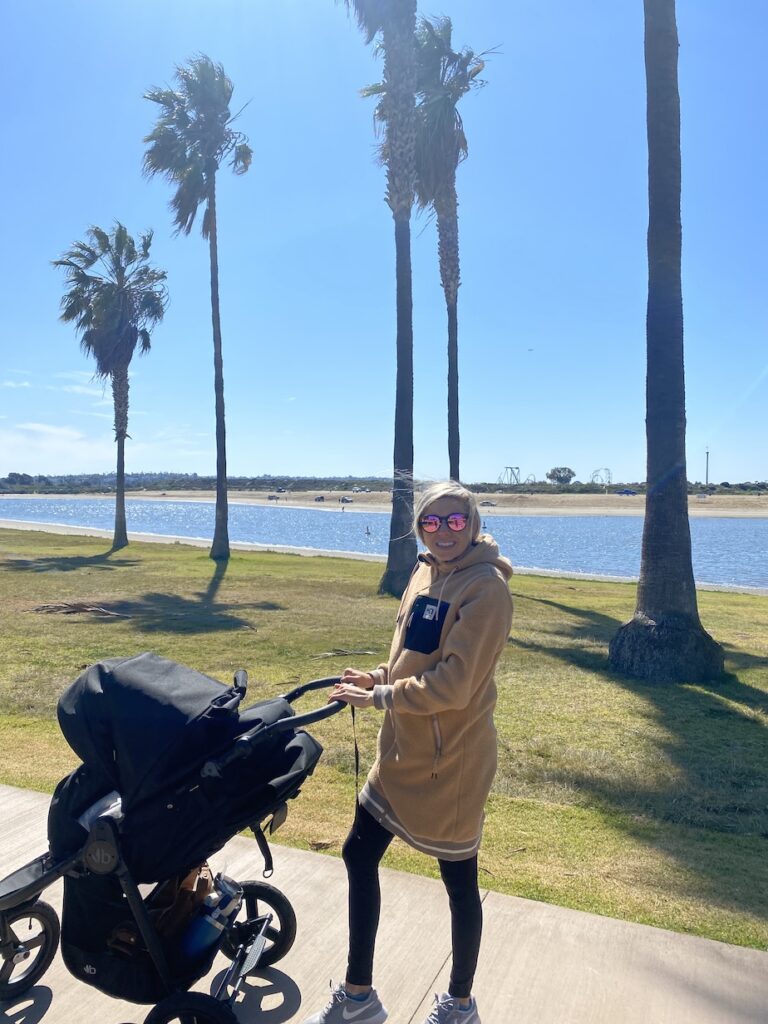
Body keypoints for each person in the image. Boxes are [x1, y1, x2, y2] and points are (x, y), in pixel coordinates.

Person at [302, 481, 513, 1024]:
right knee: (358, 853)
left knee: (459, 884)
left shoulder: (486, 590)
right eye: (432, 522)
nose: (444, 532)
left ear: (473, 522)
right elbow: (414, 655)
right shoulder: (423, 572)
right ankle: (358, 998)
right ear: (420, 527)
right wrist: (375, 675)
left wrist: (378, 697)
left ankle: (460, 1003)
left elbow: (455, 685)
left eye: (456, 521)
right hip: (399, 751)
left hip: (452, 762)